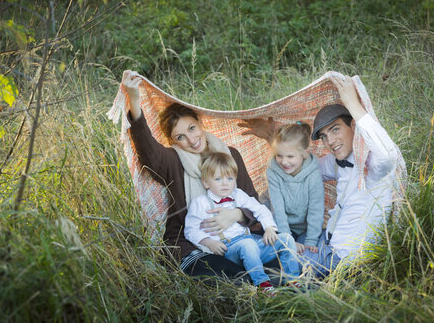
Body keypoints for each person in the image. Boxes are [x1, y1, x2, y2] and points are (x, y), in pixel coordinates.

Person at [239, 74, 403, 278]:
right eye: (324, 136)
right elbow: (301, 164)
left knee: (266, 264)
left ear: (353, 126)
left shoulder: (374, 163)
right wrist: (272, 136)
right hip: (325, 240)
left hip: (340, 257)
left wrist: (352, 103)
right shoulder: (337, 161)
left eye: (335, 130)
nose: (331, 141)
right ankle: (244, 230)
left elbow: (389, 155)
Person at [121, 70, 264, 280]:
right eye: (180, 136)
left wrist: (236, 214)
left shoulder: (229, 154)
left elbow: (252, 200)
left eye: (192, 128)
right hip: (189, 244)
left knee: (271, 258)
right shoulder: (173, 160)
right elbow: (149, 152)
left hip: (235, 234)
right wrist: (134, 101)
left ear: (200, 123)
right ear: (173, 142)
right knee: (235, 276)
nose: (191, 139)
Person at [184, 152, 300, 294]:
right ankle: (263, 285)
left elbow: (260, 209)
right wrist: (209, 242)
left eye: (230, 178)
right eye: (218, 179)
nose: (225, 183)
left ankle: (293, 280)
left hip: (252, 243)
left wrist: (269, 228)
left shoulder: (238, 195)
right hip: (230, 249)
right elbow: (190, 230)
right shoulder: (201, 203)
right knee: (248, 244)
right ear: (206, 182)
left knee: (286, 239)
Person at [267, 123, 324, 256]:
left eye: (290, 156)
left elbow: (316, 210)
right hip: (279, 224)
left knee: (308, 254)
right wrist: (288, 239)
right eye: (279, 155)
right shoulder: (273, 171)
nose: (284, 162)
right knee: (280, 252)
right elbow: (277, 209)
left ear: (304, 153)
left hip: (304, 228)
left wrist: (311, 240)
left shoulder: (313, 174)